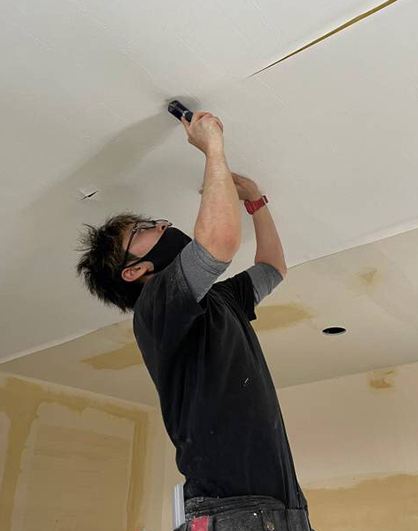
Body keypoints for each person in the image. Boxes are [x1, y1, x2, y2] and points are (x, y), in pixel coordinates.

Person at [76, 111, 314, 531]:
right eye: (144, 229)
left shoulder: (220, 300)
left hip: (272, 508)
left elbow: (273, 267)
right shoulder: (155, 307)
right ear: (135, 271)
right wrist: (212, 148)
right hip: (238, 511)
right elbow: (219, 243)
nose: (163, 224)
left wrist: (255, 201)